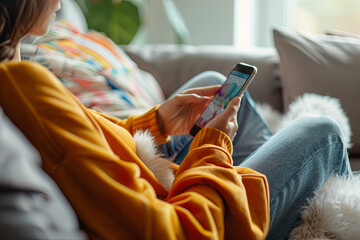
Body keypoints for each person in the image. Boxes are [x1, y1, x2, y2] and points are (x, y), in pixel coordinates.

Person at [0, 0, 352, 239]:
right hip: (191, 220)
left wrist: (159, 124)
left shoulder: (17, 75)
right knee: (321, 135)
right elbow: (166, 230)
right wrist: (213, 145)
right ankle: (271, 205)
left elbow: (86, 149)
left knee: (213, 87)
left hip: (161, 190)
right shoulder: (22, 86)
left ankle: (272, 199)